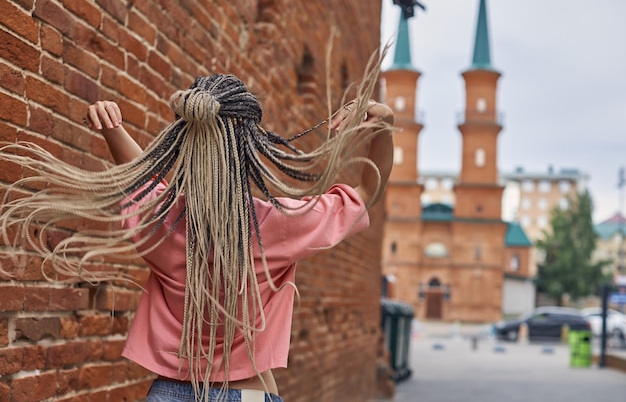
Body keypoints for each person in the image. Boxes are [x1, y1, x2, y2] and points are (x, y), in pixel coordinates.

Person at [0, 52, 394, 402]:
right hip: (250, 394)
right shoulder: (277, 224)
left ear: (183, 142)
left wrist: (112, 129)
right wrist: (383, 125)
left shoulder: (159, 221)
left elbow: (141, 177)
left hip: (168, 393)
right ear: (249, 146)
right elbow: (369, 190)